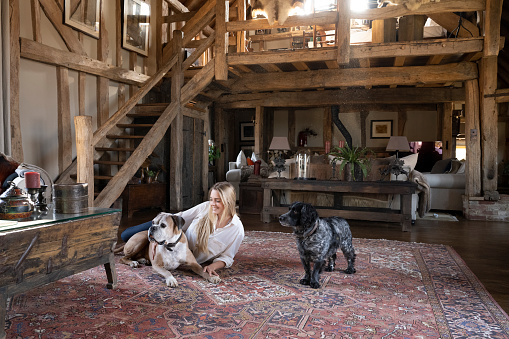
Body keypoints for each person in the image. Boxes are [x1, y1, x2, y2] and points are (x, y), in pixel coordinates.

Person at [120, 181, 244, 277]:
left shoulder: (237, 230)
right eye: (211, 199)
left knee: (129, 239)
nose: (212, 203)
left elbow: (227, 257)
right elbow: (180, 217)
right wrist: (154, 240)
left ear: (228, 202)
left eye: (217, 201)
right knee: (126, 235)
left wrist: (213, 266)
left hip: (186, 256)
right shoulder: (206, 207)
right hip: (168, 229)